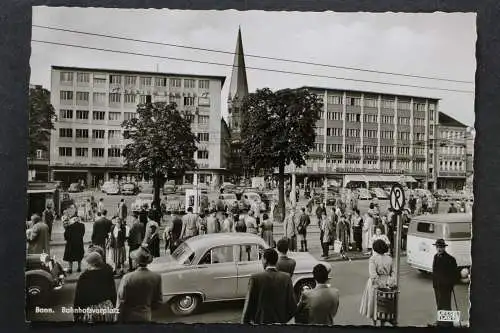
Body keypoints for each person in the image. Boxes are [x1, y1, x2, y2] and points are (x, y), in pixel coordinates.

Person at [241, 248, 297, 324]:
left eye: (262, 258)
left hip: (261, 324)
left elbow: (249, 305)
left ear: (265, 260)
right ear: (276, 260)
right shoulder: (286, 278)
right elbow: (292, 306)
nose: (261, 261)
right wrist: (283, 320)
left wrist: (245, 323)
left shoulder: (255, 278)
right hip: (280, 324)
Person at [117, 246, 162, 322]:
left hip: (129, 316)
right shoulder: (156, 277)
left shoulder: (127, 278)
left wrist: (117, 318)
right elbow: (158, 301)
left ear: (136, 262)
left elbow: (121, 301)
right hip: (146, 315)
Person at [359, 239, 396, 326]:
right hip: (386, 282)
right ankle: (382, 324)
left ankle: (374, 324)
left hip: (375, 284)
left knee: (373, 304)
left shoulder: (373, 259)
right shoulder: (389, 259)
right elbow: (393, 272)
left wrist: (378, 283)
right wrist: (389, 282)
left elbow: (372, 274)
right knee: (383, 305)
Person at [73, 251, 117, 323]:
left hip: (91, 310)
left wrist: (76, 314)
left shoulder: (84, 277)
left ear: (90, 264)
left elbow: (79, 297)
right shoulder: (108, 272)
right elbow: (113, 292)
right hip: (107, 308)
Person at [432, 239, 459, 326]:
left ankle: (449, 324)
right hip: (437, 286)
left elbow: (455, 274)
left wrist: (450, 284)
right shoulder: (435, 257)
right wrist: (435, 284)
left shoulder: (450, 259)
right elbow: (434, 271)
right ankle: (440, 322)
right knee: (439, 304)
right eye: (437, 247)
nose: (439, 249)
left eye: (441, 247)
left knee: (446, 305)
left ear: (444, 248)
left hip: (446, 287)